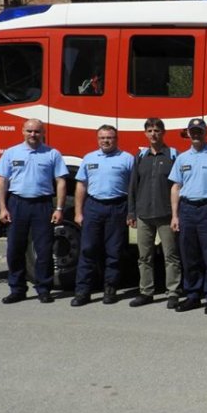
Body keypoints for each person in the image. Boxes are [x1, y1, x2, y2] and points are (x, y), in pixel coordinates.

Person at [0, 119, 68, 304]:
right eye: (29, 131)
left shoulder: (52, 154)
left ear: (43, 133)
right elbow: (2, 181)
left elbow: (61, 182)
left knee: (43, 250)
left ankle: (44, 289)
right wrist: (3, 207)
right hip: (17, 204)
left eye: (36, 131)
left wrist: (59, 208)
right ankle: (17, 289)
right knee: (15, 250)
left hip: (42, 205)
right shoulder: (11, 153)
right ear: (22, 132)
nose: (33, 134)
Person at [169, 117, 207, 314]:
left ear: (206, 133)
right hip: (187, 210)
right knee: (189, 255)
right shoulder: (182, 158)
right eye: (192, 131)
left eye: (199, 131)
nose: (196, 134)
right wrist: (175, 215)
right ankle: (193, 295)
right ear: (188, 133)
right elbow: (176, 187)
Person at [70, 125, 134, 306]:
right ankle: (82, 292)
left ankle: (110, 290)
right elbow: (81, 186)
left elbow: (132, 188)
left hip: (118, 206)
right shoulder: (89, 158)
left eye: (110, 137)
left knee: (114, 252)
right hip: (93, 206)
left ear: (116, 139)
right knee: (88, 250)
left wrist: (131, 211)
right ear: (98, 139)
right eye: (102, 138)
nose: (106, 141)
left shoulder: (127, 159)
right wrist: (78, 212)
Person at [126, 118, 181, 308]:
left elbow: (178, 186)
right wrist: (131, 212)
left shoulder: (173, 155)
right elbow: (133, 186)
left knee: (171, 256)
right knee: (144, 256)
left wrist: (176, 213)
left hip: (166, 214)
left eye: (157, 130)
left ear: (163, 132)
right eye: (149, 130)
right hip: (143, 214)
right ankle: (146, 292)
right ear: (145, 133)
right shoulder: (140, 156)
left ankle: (173, 292)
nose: (153, 134)